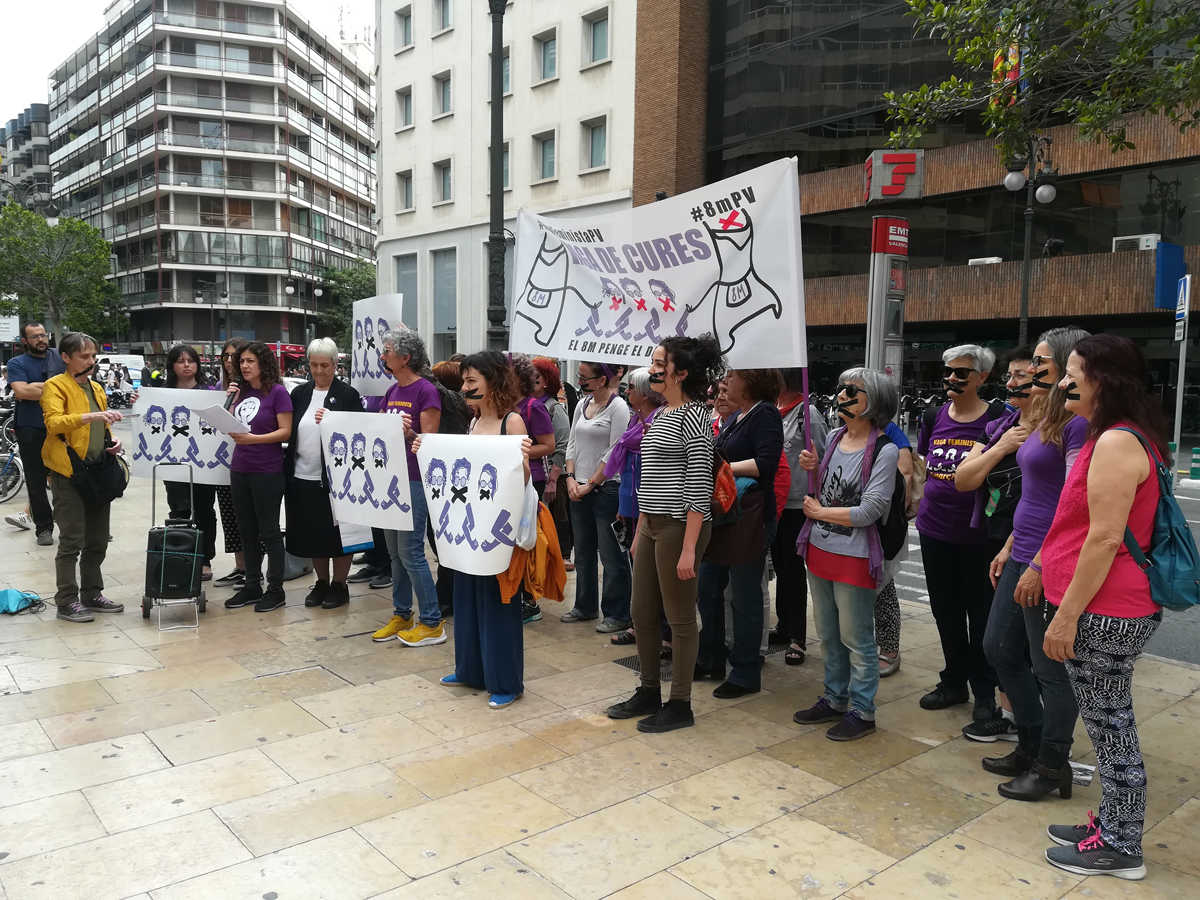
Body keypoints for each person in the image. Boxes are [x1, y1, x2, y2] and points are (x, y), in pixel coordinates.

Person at [1039, 334, 1171, 881]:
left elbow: (1104, 538)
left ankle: (1121, 844)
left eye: (1074, 373)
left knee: (1111, 725)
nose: (1064, 382)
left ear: (1104, 380)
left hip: (1106, 609)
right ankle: (1113, 825)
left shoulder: (1117, 442)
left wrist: (1067, 615)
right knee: (1106, 722)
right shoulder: (1119, 435)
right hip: (1108, 604)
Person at [607, 335, 723, 734]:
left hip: (679, 527)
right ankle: (649, 690)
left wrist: (690, 547)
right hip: (653, 524)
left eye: (661, 363)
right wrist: (641, 530)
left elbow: (698, 486)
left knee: (680, 618)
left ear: (682, 372)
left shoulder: (695, 416)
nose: (653, 368)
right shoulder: (663, 414)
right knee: (642, 613)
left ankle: (680, 703)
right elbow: (651, 478)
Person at [418, 350, 532, 708]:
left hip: (498, 531)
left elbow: (522, 478)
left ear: (493, 383)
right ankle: (470, 669)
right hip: (469, 528)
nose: (465, 388)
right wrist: (426, 448)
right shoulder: (472, 423)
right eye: (465, 382)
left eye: (471, 382)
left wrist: (523, 459)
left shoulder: (512, 422)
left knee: (498, 603)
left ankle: (506, 680)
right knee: (467, 599)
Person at [792, 369, 900, 741]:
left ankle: (862, 709)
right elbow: (827, 488)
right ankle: (834, 697)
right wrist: (814, 468)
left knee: (857, 638)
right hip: (820, 548)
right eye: (842, 388)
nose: (843, 395)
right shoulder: (836, 437)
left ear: (875, 401)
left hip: (855, 556)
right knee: (828, 634)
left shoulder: (885, 450)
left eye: (853, 391)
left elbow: (870, 509)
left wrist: (820, 513)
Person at [916, 344, 1007, 719]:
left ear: (982, 377)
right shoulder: (933, 415)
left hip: (979, 537)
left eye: (962, 372)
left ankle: (984, 691)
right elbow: (925, 464)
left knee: (981, 615)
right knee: (945, 612)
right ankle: (953, 680)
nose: (952, 378)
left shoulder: (1000, 420)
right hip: (934, 530)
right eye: (948, 371)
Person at [696, 368, 783, 697]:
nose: (725, 383)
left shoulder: (765, 414)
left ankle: (745, 671)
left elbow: (766, 464)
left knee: (744, 595)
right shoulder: (737, 416)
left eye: (732, 377)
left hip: (749, 516)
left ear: (751, 381)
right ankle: (711, 657)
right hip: (724, 515)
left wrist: (723, 468)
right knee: (708, 588)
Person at [40, 332, 125, 622]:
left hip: (98, 471)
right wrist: (90, 417)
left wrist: (112, 443)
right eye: (84, 356)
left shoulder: (97, 388)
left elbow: (101, 428)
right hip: (67, 473)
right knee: (72, 539)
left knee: (98, 538)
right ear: (66, 357)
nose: (91, 362)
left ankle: (92, 592)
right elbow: (53, 423)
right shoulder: (55, 386)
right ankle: (66, 600)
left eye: (93, 356)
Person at [370, 328, 445, 647]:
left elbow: (428, 443)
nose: (383, 355)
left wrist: (409, 432)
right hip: (392, 478)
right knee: (394, 553)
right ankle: (402, 613)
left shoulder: (426, 391)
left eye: (387, 350)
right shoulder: (390, 391)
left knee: (411, 550)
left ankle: (431, 621)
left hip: (415, 477)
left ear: (405, 357)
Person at [286, 337, 363, 610]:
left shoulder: (347, 395)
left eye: (325, 365)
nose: (319, 371)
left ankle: (340, 584)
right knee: (313, 534)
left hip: (335, 479)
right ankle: (321, 581)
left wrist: (333, 420)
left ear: (335, 364)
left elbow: (358, 433)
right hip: (302, 475)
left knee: (338, 535)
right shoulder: (300, 393)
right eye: (314, 365)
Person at [224, 342, 293, 612]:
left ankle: (276, 589)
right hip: (240, 468)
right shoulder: (239, 393)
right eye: (241, 361)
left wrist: (255, 440)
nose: (244, 366)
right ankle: (252, 584)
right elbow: (230, 426)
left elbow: (285, 431)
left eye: (250, 361)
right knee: (246, 531)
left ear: (263, 363)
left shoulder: (277, 393)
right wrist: (228, 404)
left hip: (267, 470)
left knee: (269, 531)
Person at [563, 361, 632, 632]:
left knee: (611, 554)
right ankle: (584, 605)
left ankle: (616, 612)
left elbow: (615, 452)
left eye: (584, 377)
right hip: (577, 486)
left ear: (602, 379)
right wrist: (570, 478)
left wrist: (590, 484)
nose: (580, 381)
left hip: (605, 489)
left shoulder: (618, 408)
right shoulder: (582, 405)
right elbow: (571, 443)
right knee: (583, 552)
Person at [771, 368, 829, 666]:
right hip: (773, 502)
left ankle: (797, 636)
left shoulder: (809, 414)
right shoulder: (771, 410)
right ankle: (783, 625)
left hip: (796, 504)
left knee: (793, 571)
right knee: (780, 567)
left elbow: (821, 458)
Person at [162, 343, 219, 581]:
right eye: (180, 361)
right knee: (179, 510)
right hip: (173, 464)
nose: (186, 365)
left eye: (191, 360)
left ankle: (205, 559)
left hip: (204, 464)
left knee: (204, 510)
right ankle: (182, 557)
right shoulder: (162, 392)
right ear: (172, 366)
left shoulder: (209, 392)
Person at [4, 323, 65, 544]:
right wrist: (57, 388)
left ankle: (74, 524)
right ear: (25, 341)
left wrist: (37, 388)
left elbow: (75, 385)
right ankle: (44, 529)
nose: (41, 339)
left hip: (61, 426)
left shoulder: (60, 356)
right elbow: (22, 391)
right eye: (35, 337)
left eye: (43, 335)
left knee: (70, 476)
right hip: (30, 427)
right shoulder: (16, 363)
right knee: (36, 480)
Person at [509, 353, 556, 623]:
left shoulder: (532, 407)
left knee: (527, 538)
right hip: (508, 480)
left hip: (531, 479)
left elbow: (549, 445)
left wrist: (518, 452)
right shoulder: (502, 407)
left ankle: (529, 599)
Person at [427, 359, 471, 618]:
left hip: (453, 479)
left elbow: (428, 380)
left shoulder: (453, 403)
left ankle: (447, 594)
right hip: (444, 477)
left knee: (445, 538)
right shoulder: (454, 405)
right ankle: (448, 591)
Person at [213, 340, 250, 587]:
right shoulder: (219, 388)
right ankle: (240, 565)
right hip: (221, 464)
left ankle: (252, 569)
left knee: (249, 518)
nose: (229, 361)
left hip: (249, 463)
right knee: (230, 516)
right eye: (225, 357)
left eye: (235, 356)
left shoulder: (253, 388)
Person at [532, 357, 573, 572]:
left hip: (552, 473)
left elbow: (562, 445)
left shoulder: (554, 408)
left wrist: (554, 479)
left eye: (536, 376)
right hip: (533, 473)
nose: (530, 380)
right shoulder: (527, 404)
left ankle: (562, 555)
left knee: (557, 515)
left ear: (546, 381)